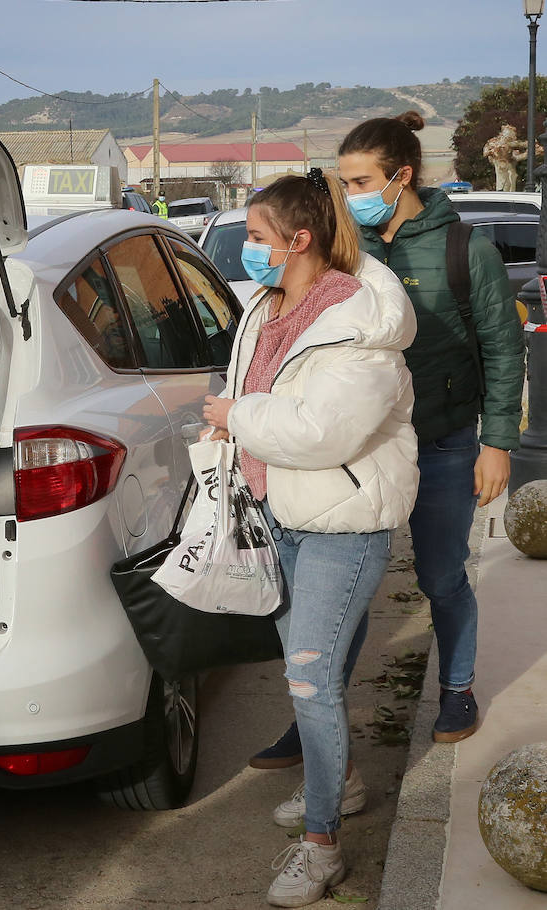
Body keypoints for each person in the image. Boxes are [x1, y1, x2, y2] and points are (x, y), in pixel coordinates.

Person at [249, 112, 524, 769]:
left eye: (363, 180)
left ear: (402, 176)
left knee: (440, 575)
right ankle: (315, 715)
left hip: (442, 442)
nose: (352, 194)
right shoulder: (350, 252)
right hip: (359, 451)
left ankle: (456, 690)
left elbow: (502, 348)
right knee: (335, 598)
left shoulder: (465, 250)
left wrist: (498, 442)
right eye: (344, 182)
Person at [202, 169, 419, 907]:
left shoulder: (359, 322)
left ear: (298, 240)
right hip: (276, 514)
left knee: (309, 681)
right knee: (306, 676)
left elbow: (322, 432)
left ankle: (322, 846)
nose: (248, 250)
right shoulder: (266, 305)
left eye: (257, 238)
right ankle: (345, 783)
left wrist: (233, 416)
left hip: (340, 524)